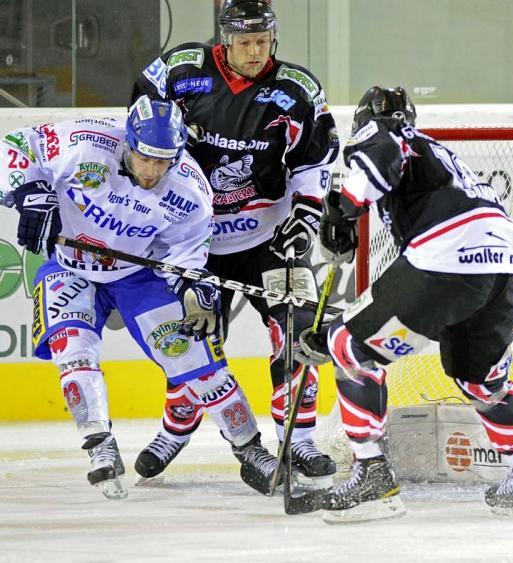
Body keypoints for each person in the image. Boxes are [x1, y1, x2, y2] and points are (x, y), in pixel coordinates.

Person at [294, 85, 513, 522]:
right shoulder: (437, 154)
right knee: (481, 381)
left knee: (346, 346)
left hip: (449, 255)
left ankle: (372, 479)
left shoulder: (383, 133)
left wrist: (344, 209)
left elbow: (380, 150)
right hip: (503, 258)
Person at [0, 96, 278, 498]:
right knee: (73, 350)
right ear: (127, 142)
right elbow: (16, 145)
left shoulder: (190, 189)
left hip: (138, 274)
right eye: (145, 159)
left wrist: (194, 289)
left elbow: (188, 252)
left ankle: (251, 449)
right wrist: (30, 192)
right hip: (70, 265)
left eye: (163, 162)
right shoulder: (85, 143)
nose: (152, 171)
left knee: (197, 361)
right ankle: (99, 444)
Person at [131, 0, 339, 488]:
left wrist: (306, 216)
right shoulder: (180, 71)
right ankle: (176, 427)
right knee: (188, 337)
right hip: (193, 239)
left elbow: (316, 160)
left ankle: (300, 439)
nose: (254, 51)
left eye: (263, 41)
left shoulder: (297, 90)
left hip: (267, 236)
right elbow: (141, 129)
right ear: (224, 39)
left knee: (298, 327)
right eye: (244, 42)